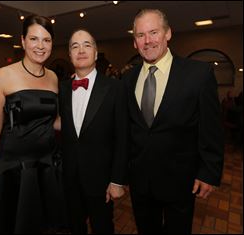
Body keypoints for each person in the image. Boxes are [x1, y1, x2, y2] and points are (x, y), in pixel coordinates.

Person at [122, 9, 224, 234]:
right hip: (140, 183)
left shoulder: (198, 74)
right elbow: (127, 130)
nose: (147, 41)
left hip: (181, 181)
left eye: (154, 32)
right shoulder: (127, 79)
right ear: (134, 42)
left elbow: (211, 128)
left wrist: (209, 172)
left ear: (168, 34)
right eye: (140, 35)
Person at [0, 15, 67, 234]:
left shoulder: (52, 78)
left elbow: (54, 121)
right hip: (14, 167)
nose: (40, 46)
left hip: (46, 165)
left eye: (47, 40)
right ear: (22, 41)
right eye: (34, 39)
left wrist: (85, 123)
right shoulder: (3, 75)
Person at [58, 29, 128, 234]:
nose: (81, 50)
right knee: (75, 226)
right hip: (70, 178)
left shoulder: (115, 88)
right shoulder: (61, 89)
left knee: (103, 227)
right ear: (70, 55)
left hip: (101, 180)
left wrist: (116, 180)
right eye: (75, 46)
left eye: (87, 45)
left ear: (96, 53)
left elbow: (122, 137)